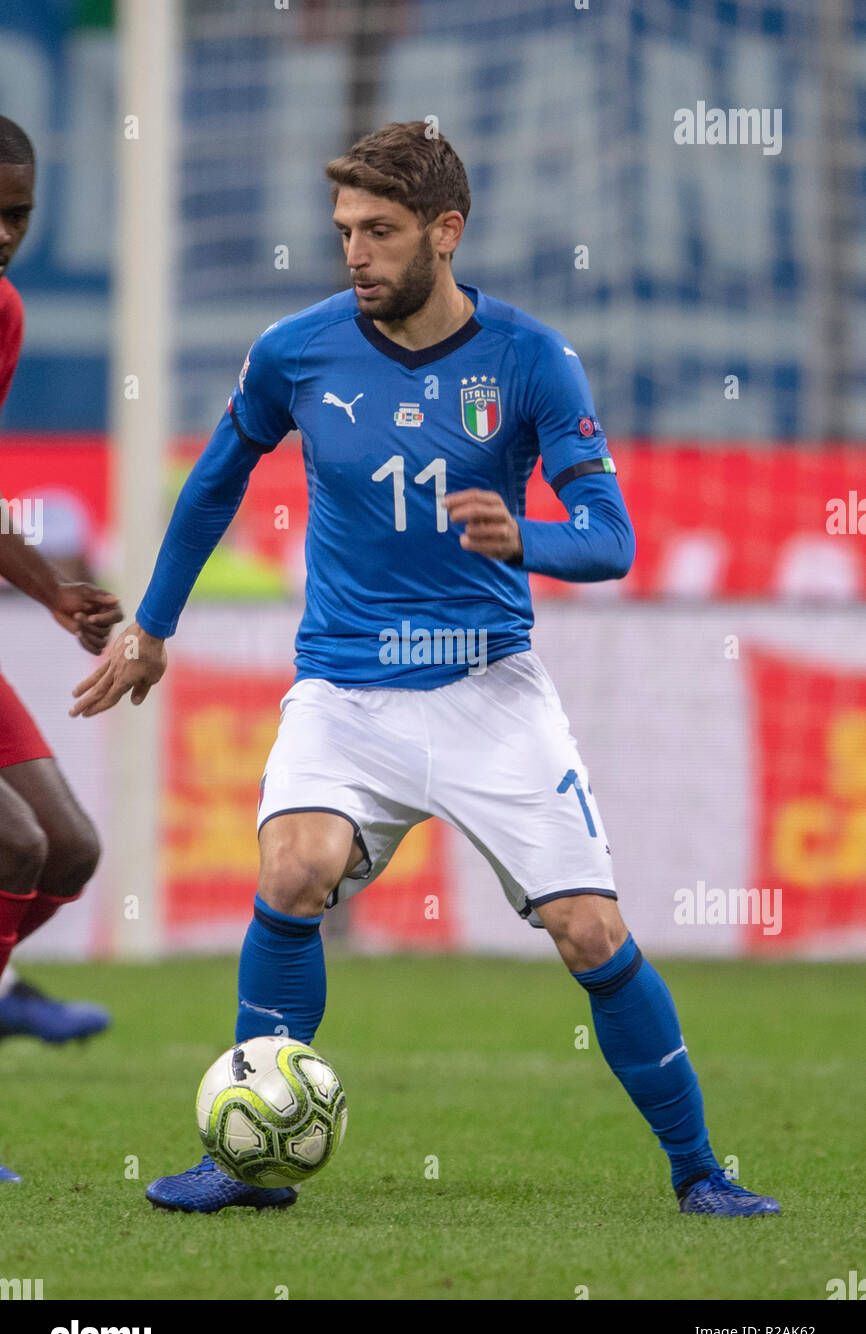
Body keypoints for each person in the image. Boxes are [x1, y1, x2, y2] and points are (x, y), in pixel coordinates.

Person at [72, 121, 779, 1218]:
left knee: (589, 931)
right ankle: (245, 1158)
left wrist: (523, 537)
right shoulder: (295, 351)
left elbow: (610, 536)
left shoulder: (531, 360)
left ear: (445, 234)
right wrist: (153, 626)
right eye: (345, 230)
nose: (354, 253)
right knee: (290, 870)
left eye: (381, 231)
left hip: (490, 693)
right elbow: (215, 482)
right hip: (345, 693)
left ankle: (698, 1172)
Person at [0, 115, 122, 1183]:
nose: (4, 234)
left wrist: (53, 596)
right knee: (13, 846)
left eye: (21, 216)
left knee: (69, 849)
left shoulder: (1, 313)